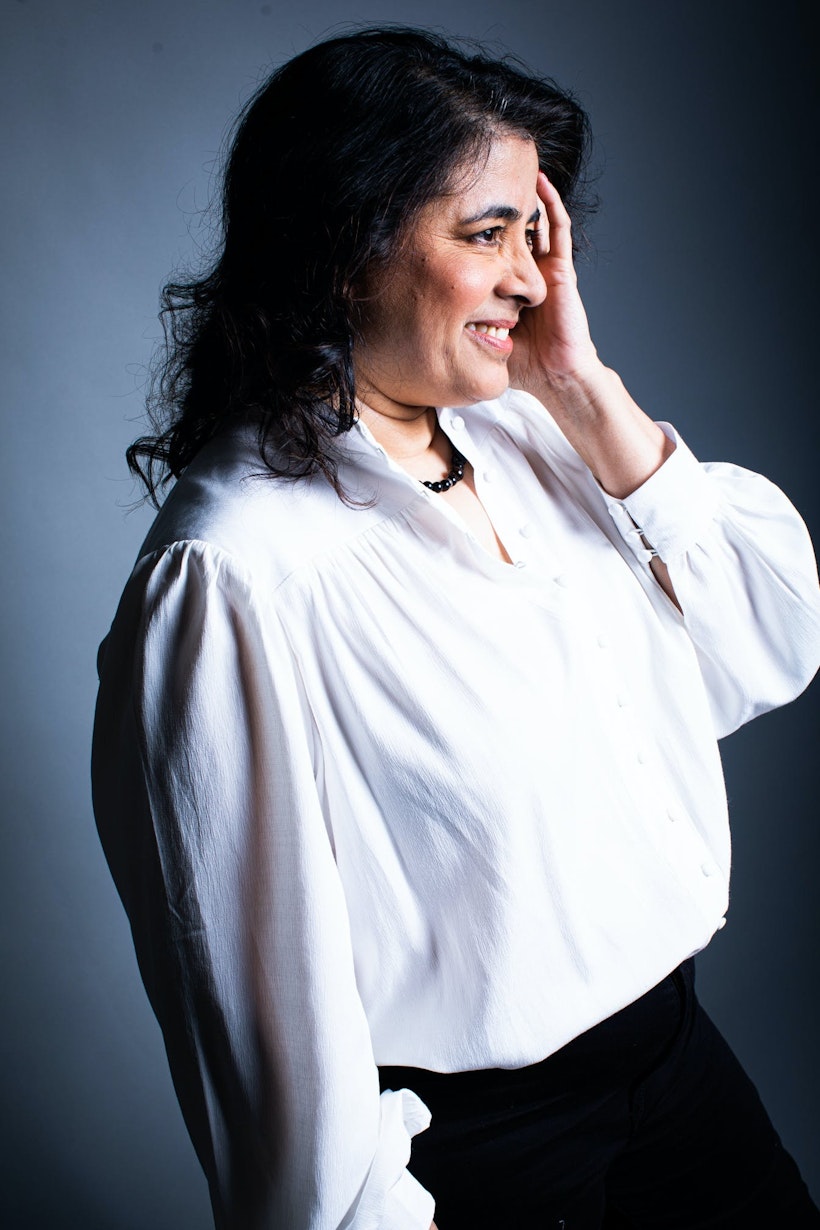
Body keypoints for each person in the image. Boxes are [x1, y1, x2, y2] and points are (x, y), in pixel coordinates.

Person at [91, 25, 820, 1230]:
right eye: (486, 235)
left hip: (678, 1069)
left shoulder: (527, 430)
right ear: (345, 246)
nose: (530, 280)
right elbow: (263, 1021)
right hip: (491, 1158)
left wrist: (582, 390)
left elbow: (768, 640)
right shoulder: (235, 572)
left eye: (535, 235)